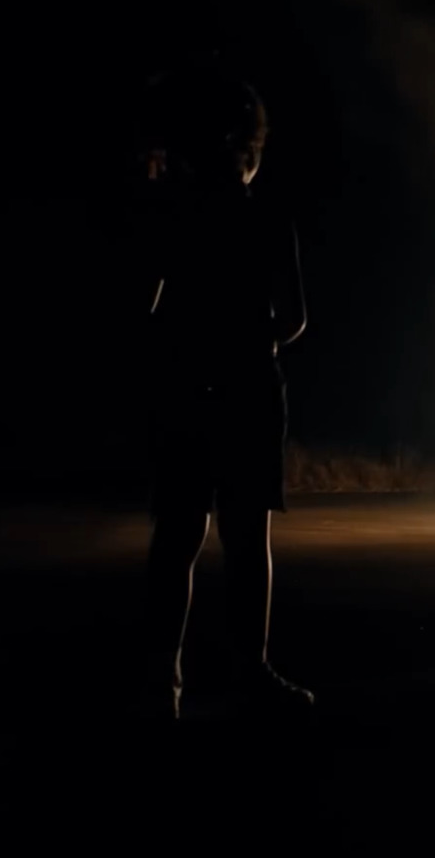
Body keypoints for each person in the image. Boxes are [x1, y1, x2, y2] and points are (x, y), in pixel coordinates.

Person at [137, 63, 314, 719]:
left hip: (184, 382)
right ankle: (252, 670)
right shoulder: (266, 218)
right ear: (247, 151)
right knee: (247, 537)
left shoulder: (174, 216)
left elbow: (145, 301)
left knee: (176, 534)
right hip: (246, 388)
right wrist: (254, 335)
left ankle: (163, 681)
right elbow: (293, 316)